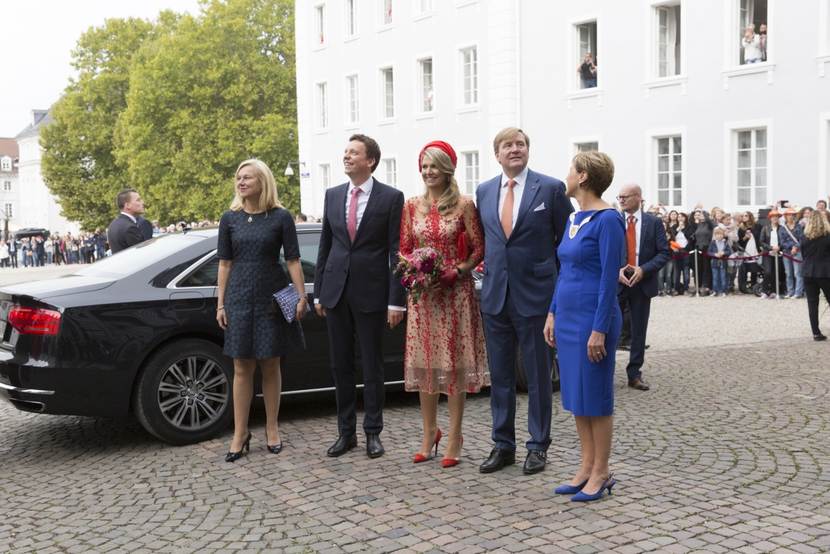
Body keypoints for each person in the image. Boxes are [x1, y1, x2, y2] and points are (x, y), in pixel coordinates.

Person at [475, 127, 573, 475]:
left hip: (536, 297)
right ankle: (503, 445)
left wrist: (557, 295)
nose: (515, 149)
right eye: (508, 145)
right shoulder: (484, 191)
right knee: (500, 376)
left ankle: (538, 445)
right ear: (497, 154)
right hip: (495, 298)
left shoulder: (550, 188)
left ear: (528, 150)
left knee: (537, 377)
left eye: (520, 144)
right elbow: (487, 241)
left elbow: (566, 244)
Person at [314, 134, 406, 459]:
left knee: (371, 364)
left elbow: (396, 251)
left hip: (372, 292)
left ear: (370, 160)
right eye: (346, 152)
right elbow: (325, 245)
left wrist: (396, 300)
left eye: (354, 152)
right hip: (336, 292)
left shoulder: (391, 198)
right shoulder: (333, 195)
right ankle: (346, 433)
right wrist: (319, 293)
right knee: (340, 365)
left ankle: (373, 432)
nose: (347, 156)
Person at [400, 141, 489, 468]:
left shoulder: (465, 205)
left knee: (452, 366)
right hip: (424, 297)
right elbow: (404, 249)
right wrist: (416, 272)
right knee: (425, 365)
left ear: (448, 168)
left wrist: (459, 270)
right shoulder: (411, 206)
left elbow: (479, 249)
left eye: (434, 166)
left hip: (455, 295)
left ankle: (455, 435)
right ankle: (429, 433)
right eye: (424, 166)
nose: (428, 172)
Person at [543, 151, 624, 502]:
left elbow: (609, 279)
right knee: (577, 396)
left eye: (571, 170)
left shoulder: (608, 220)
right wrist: (552, 312)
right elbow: (564, 271)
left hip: (593, 318)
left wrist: (599, 329)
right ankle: (586, 465)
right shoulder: (574, 218)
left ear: (584, 176)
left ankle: (602, 471)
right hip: (568, 317)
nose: (567, 176)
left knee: (596, 396)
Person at [216, 159, 307, 462]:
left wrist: (301, 296)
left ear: (262, 182)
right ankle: (240, 433)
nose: (241, 182)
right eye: (238, 178)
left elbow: (293, 259)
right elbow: (224, 263)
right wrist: (220, 303)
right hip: (239, 296)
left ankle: (271, 428)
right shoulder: (229, 218)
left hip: (272, 294)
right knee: (242, 367)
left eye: (247, 178)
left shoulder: (280, 217)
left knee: (270, 363)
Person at [615, 184, 669, 391]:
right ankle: (605, 372)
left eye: (625, 197)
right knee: (610, 328)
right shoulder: (613, 220)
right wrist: (617, 270)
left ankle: (634, 374)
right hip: (617, 282)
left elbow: (663, 253)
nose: (621, 200)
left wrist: (644, 270)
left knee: (638, 331)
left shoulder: (653, 222)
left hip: (642, 283)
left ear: (638, 197)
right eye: (619, 197)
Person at [800, 210, 830, 340]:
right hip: (825, 272)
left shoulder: (804, 237)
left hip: (808, 272)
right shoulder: (827, 237)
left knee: (812, 303)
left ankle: (816, 333)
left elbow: (803, 254)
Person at [107, 189, 146, 254]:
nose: (142, 202)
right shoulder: (130, 228)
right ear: (127, 205)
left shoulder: (113, 224)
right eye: (138, 200)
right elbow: (143, 254)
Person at [760, 209, 786, 298]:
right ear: (770, 218)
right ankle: (764, 291)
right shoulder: (765, 228)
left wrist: (779, 247)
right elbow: (761, 241)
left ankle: (773, 291)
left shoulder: (782, 228)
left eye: (777, 217)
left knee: (776, 273)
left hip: (778, 253)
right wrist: (771, 248)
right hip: (768, 253)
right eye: (773, 217)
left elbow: (784, 240)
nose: (775, 218)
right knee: (768, 272)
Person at [781, 207, 804, 298]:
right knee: (788, 273)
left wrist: (796, 247)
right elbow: (782, 242)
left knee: (798, 273)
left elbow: (802, 239)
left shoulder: (799, 226)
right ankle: (790, 291)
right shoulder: (782, 228)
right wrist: (791, 247)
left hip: (797, 252)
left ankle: (798, 292)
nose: (791, 216)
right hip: (786, 252)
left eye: (792, 215)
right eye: (789, 215)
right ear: (785, 216)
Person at [708, 227, 732, 296]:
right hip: (714, 262)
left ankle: (723, 291)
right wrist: (715, 254)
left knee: (723, 277)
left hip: (723, 262)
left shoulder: (725, 243)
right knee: (715, 277)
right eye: (717, 234)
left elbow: (729, 251)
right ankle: (715, 291)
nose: (719, 236)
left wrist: (724, 253)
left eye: (720, 234)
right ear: (715, 235)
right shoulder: (713, 243)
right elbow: (709, 252)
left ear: (723, 235)